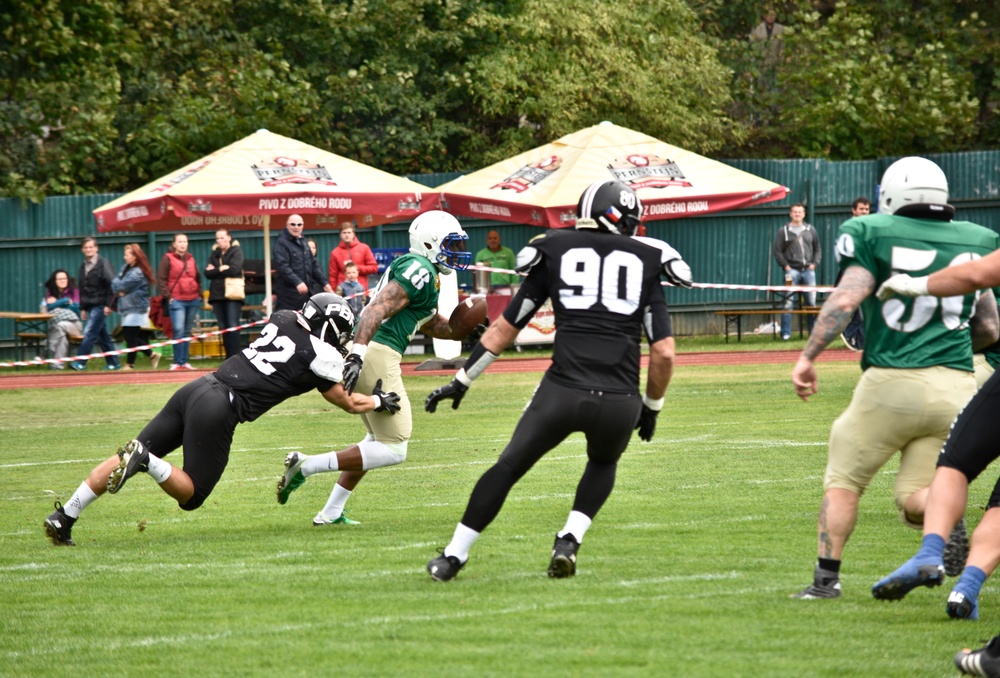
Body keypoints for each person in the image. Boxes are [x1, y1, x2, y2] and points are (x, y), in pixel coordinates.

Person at [422, 179, 693, 582]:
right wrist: (652, 407)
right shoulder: (650, 260)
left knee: (508, 467)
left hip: (562, 390)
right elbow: (664, 351)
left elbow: (502, 331)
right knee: (603, 462)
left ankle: (453, 557)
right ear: (625, 220)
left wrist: (461, 380)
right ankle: (569, 538)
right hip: (619, 398)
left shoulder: (553, 249)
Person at [789, 156, 1000, 600]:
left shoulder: (870, 231)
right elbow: (989, 328)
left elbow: (847, 298)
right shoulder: (978, 239)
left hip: (890, 381)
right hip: (956, 387)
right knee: (916, 498)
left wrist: (809, 356)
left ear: (890, 196)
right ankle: (946, 523)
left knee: (844, 481)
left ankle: (826, 580)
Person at [43, 293, 401, 547]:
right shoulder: (321, 355)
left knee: (126, 457)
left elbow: (298, 331)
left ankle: (66, 516)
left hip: (197, 387)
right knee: (193, 494)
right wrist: (378, 400)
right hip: (220, 406)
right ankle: (149, 461)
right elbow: (347, 402)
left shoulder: (283, 318)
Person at [275, 211, 483, 526]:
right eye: (449, 245)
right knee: (395, 448)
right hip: (376, 354)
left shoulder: (425, 271)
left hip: (374, 351)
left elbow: (423, 322)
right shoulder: (420, 269)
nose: (455, 253)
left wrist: (459, 330)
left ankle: (330, 512)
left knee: (375, 443)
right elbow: (375, 309)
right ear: (428, 243)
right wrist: (358, 355)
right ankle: (305, 466)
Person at [70, 237, 121, 371]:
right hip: (90, 305)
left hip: (101, 305)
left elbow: (113, 285)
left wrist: (109, 305)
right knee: (102, 335)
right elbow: (82, 289)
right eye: (86, 247)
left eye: (91, 247)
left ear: (96, 248)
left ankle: (80, 362)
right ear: (82, 250)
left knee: (90, 332)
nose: (88, 250)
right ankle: (114, 362)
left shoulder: (103, 263)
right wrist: (83, 308)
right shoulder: (83, 267)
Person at [773, 203, 821, 340]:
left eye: (800, 212)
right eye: (795, 212)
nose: (797, 214)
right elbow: (777, 251)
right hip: (790, 272)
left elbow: (818, 249)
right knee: (788, 301)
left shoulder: (810, 230)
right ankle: (786, 333)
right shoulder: (784, 231)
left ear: (804, 214)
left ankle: (813, 333)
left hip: (808, 272)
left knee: (811, 303)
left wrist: (815, 264)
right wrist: (786, 266)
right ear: (790, 214)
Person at [157, 233, 202, 370]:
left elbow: (198, 277)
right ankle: (177, 361)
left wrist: (199, 294)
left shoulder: (191, 258)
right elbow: (161, 279)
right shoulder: (167, 258)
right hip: (177, 300)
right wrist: (168, 297)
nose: (183, 244)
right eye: (180, 241)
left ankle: (185, 361)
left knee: (187, 331)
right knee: (178, 330)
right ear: (174, 244)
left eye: (185, 241)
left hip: (193, 299)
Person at [111, 243, 159, 370]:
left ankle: (129, 364)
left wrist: (121, 289)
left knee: (130, 336)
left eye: (127, 255)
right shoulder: (125, 268)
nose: (124, 257)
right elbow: (115, 285)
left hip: (136, 308)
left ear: (135, 257)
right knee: (131, 336)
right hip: (127, 308)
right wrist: (119, 288)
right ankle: (152, 354)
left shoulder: (137, 272)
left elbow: (121, 287)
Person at [273, 214, 331, 312]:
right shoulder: (281, 243)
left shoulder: (303, 241)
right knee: (287, 323)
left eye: (299, 225)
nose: (296, 227)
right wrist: (298, 282)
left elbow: (313, 264)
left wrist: (324, 283)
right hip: (288, 295)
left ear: (303, 226)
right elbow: (282, 266)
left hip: (305, 294)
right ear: (287, 225)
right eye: (293, 224)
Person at [204, 228, 245, 360]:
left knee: (232, 325)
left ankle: (236, 358)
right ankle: (228, 358)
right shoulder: (214, 254)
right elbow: (207, 273)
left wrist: (216, 270)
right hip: (217, 295)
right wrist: (221, 268)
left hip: (233, 294)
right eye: (217, 238)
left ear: (229, 238)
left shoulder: (236, 251)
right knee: (223, 326)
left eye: (222, 238)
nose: (220, 241)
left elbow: (235, 269)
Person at [839, 197, 871, 351]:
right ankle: (849, 332)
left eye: (866, 209)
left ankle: (859, 341)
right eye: (861, 209)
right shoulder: (850, 227)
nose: (864, 212)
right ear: (854, 210)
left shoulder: (869, 227)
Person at [41, 269, 82, 370]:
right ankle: (57, 366)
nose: (63, 281)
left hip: (74, 325)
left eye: (64, 278)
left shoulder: (74, 291)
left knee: (60, 326)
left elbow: (77, 308)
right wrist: (66, 301)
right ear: (55, 281)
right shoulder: (50, 292)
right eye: (59, 279)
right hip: (57, 326)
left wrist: (58, 303)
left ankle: (46, 350)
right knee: (62, 338)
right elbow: (49, 307)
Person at [327, 222, 378, 293]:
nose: (347, 235)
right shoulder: (335, 252)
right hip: (343, 292)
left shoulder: (364, 248)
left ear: (354, 234)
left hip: (361, 290)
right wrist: (334, 291)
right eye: (344, 233)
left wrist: (356, 268)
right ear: (340, 235)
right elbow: (333, 275)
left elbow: (374, 268)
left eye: (349, 232)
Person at [749, 8, 784, 90]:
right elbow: (752, 45)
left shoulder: (780, 29)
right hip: (760, 62)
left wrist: (781, 62)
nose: (771, 17)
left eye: (773, 15)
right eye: (769, 15)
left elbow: (782, 47)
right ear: (764, 16)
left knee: (774, 86)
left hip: (774, 62)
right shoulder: (757, 28)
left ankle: (773, 102)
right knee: (759, 85)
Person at [474, 230, 518, 294]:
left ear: (499, 240)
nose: (492, 240)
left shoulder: (509, 252)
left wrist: (514, 286)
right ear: (487, 241)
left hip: (505, 287)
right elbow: (477, 274)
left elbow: (514, 270)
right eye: (490, 238)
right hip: (487, 288)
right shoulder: (480, 254)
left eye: (495, 238)